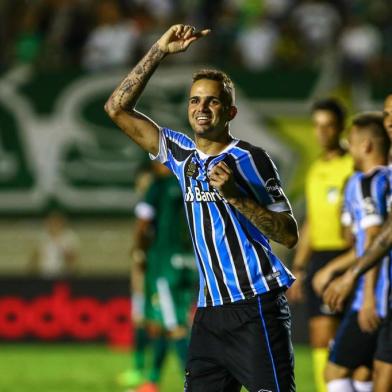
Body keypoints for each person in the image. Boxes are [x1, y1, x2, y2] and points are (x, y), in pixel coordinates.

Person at [105, 24, 298, 392]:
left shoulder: (251, 160)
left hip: (256, 306)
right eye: (195, 100)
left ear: (230, 111)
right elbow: (116, 108)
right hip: (209, 314)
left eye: (212, 101)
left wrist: (235, 196)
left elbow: (288, 234)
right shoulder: (181, 156)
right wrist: (159, 50)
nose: (201, 108)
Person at [323, 95, 392, 392]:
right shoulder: (385, 177)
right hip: (380, 293)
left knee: (337, 372)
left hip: (377, 295)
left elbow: (378, 236)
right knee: (367, 373)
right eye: (386, 114)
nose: (389, 120)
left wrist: (364, 294)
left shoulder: (367, 182)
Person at [287, 98, 353, 392]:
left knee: (344, 338)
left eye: (328, 126)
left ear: (340, 127)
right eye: (317, 126)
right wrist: (299, 267)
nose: (322, 132)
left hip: (349, 257)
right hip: (320, 260)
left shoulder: (353, 165)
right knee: (319, 336)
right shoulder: (315, 170)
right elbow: (312, 222)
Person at [122, 161, 197, 392]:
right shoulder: (190, 184)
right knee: (163, 325)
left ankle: (197, 384)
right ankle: (152, 381)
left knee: (174, 327)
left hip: (165, 264)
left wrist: (139, 251)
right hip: (189, 262)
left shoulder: (159, 185)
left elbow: (143, 222)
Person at [29, 210, 79, 278]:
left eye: (57, 222)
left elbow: (73, 259)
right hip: (43, 274)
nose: (54, 224)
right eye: (51, 222)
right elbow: (35, 256)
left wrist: (61, 247)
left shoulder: (69, 237)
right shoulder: (42, 236)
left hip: (62, 275)